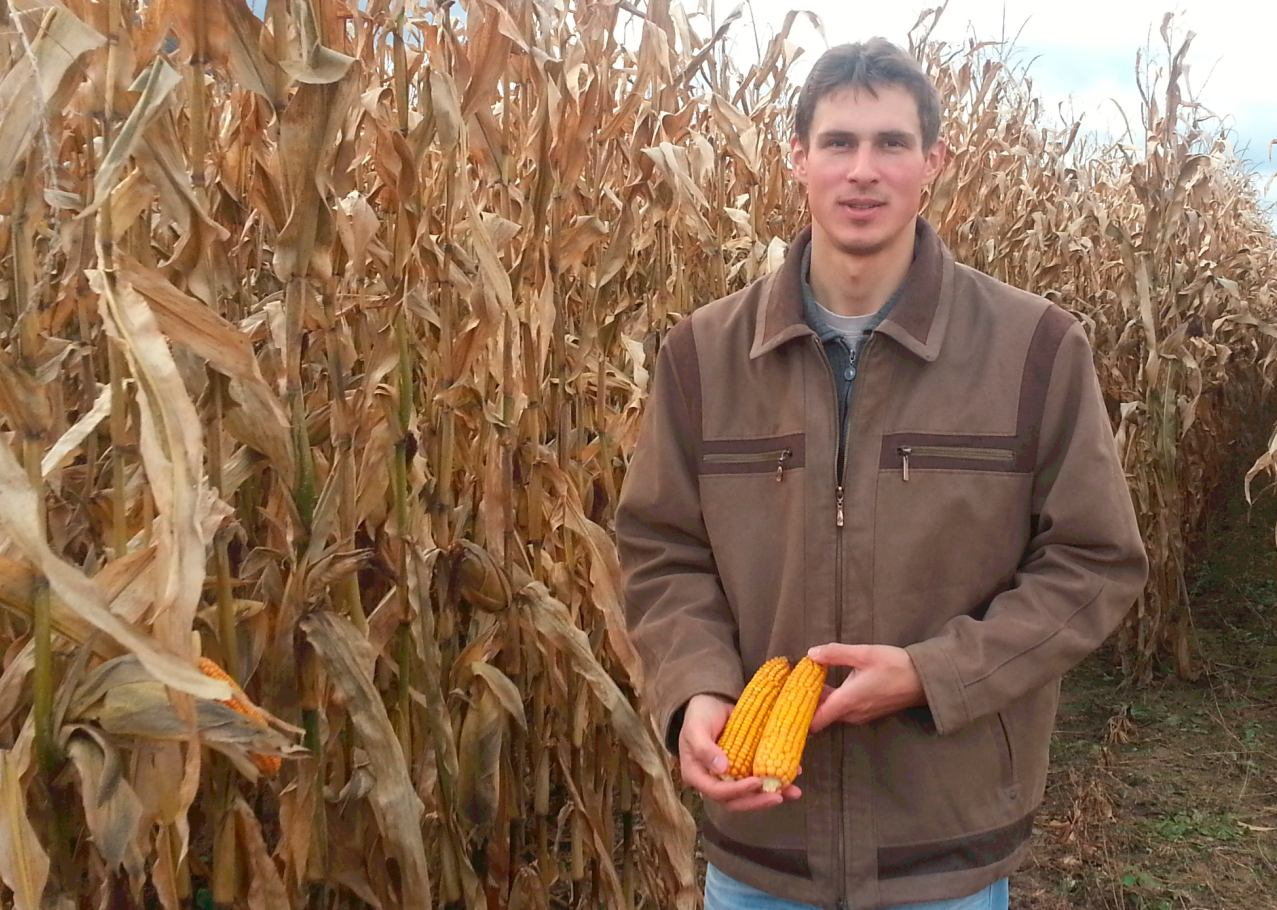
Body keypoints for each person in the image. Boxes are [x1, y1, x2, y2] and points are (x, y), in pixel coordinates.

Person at [614, 37, 1148, 910]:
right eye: (838, 142)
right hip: (760, 840)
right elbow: (661, 550)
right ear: (796, 158)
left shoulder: (1034, 348)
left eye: (892, 144)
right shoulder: (702, 356)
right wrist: (694, 690)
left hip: (943, 841)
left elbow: (1093, 564)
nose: (863, 171)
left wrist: (934, 674)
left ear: (933, 162)